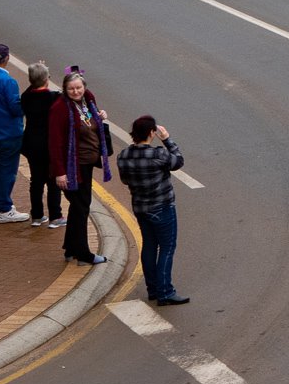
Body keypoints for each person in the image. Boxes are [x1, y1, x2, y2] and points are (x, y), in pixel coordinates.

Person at [118, 116, 188, 306]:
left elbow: (124, 180)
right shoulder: (158, 154)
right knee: (166, 247)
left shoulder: (123, 155)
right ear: (151, 133)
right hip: (162, 207)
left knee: (149, 245)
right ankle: (165, 291)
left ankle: (153, 289)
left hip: (140, 207)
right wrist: (166, 140)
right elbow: (178, 161)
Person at [49, 69, 111, 264]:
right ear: (64, 89)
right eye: (71, 89)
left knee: (78, 207)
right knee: (81, 207)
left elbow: (91, 102)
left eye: (79, 87)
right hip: (73, 168)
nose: (76, 92)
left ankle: (70, 248)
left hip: (86, 164)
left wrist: (100, 115)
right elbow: (55, 143)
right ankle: (83, 254)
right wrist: (60, 172)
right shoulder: (59, 108)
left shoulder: (87, 101)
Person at [21, 62, 63, 228]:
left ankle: (37, 215)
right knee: (53, 181)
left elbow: (29, 90)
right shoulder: (54, 98)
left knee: (36, 180)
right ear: (47, 79)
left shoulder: (26, 97)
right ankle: (55, 216)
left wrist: (37, 77)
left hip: (31, 143)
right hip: (49, 145)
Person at [0, 43, 27, 223]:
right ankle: (4, 208)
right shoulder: (8, 82)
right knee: (6, 171)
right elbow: (16, 108)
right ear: (6, 59)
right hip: (8, 135)